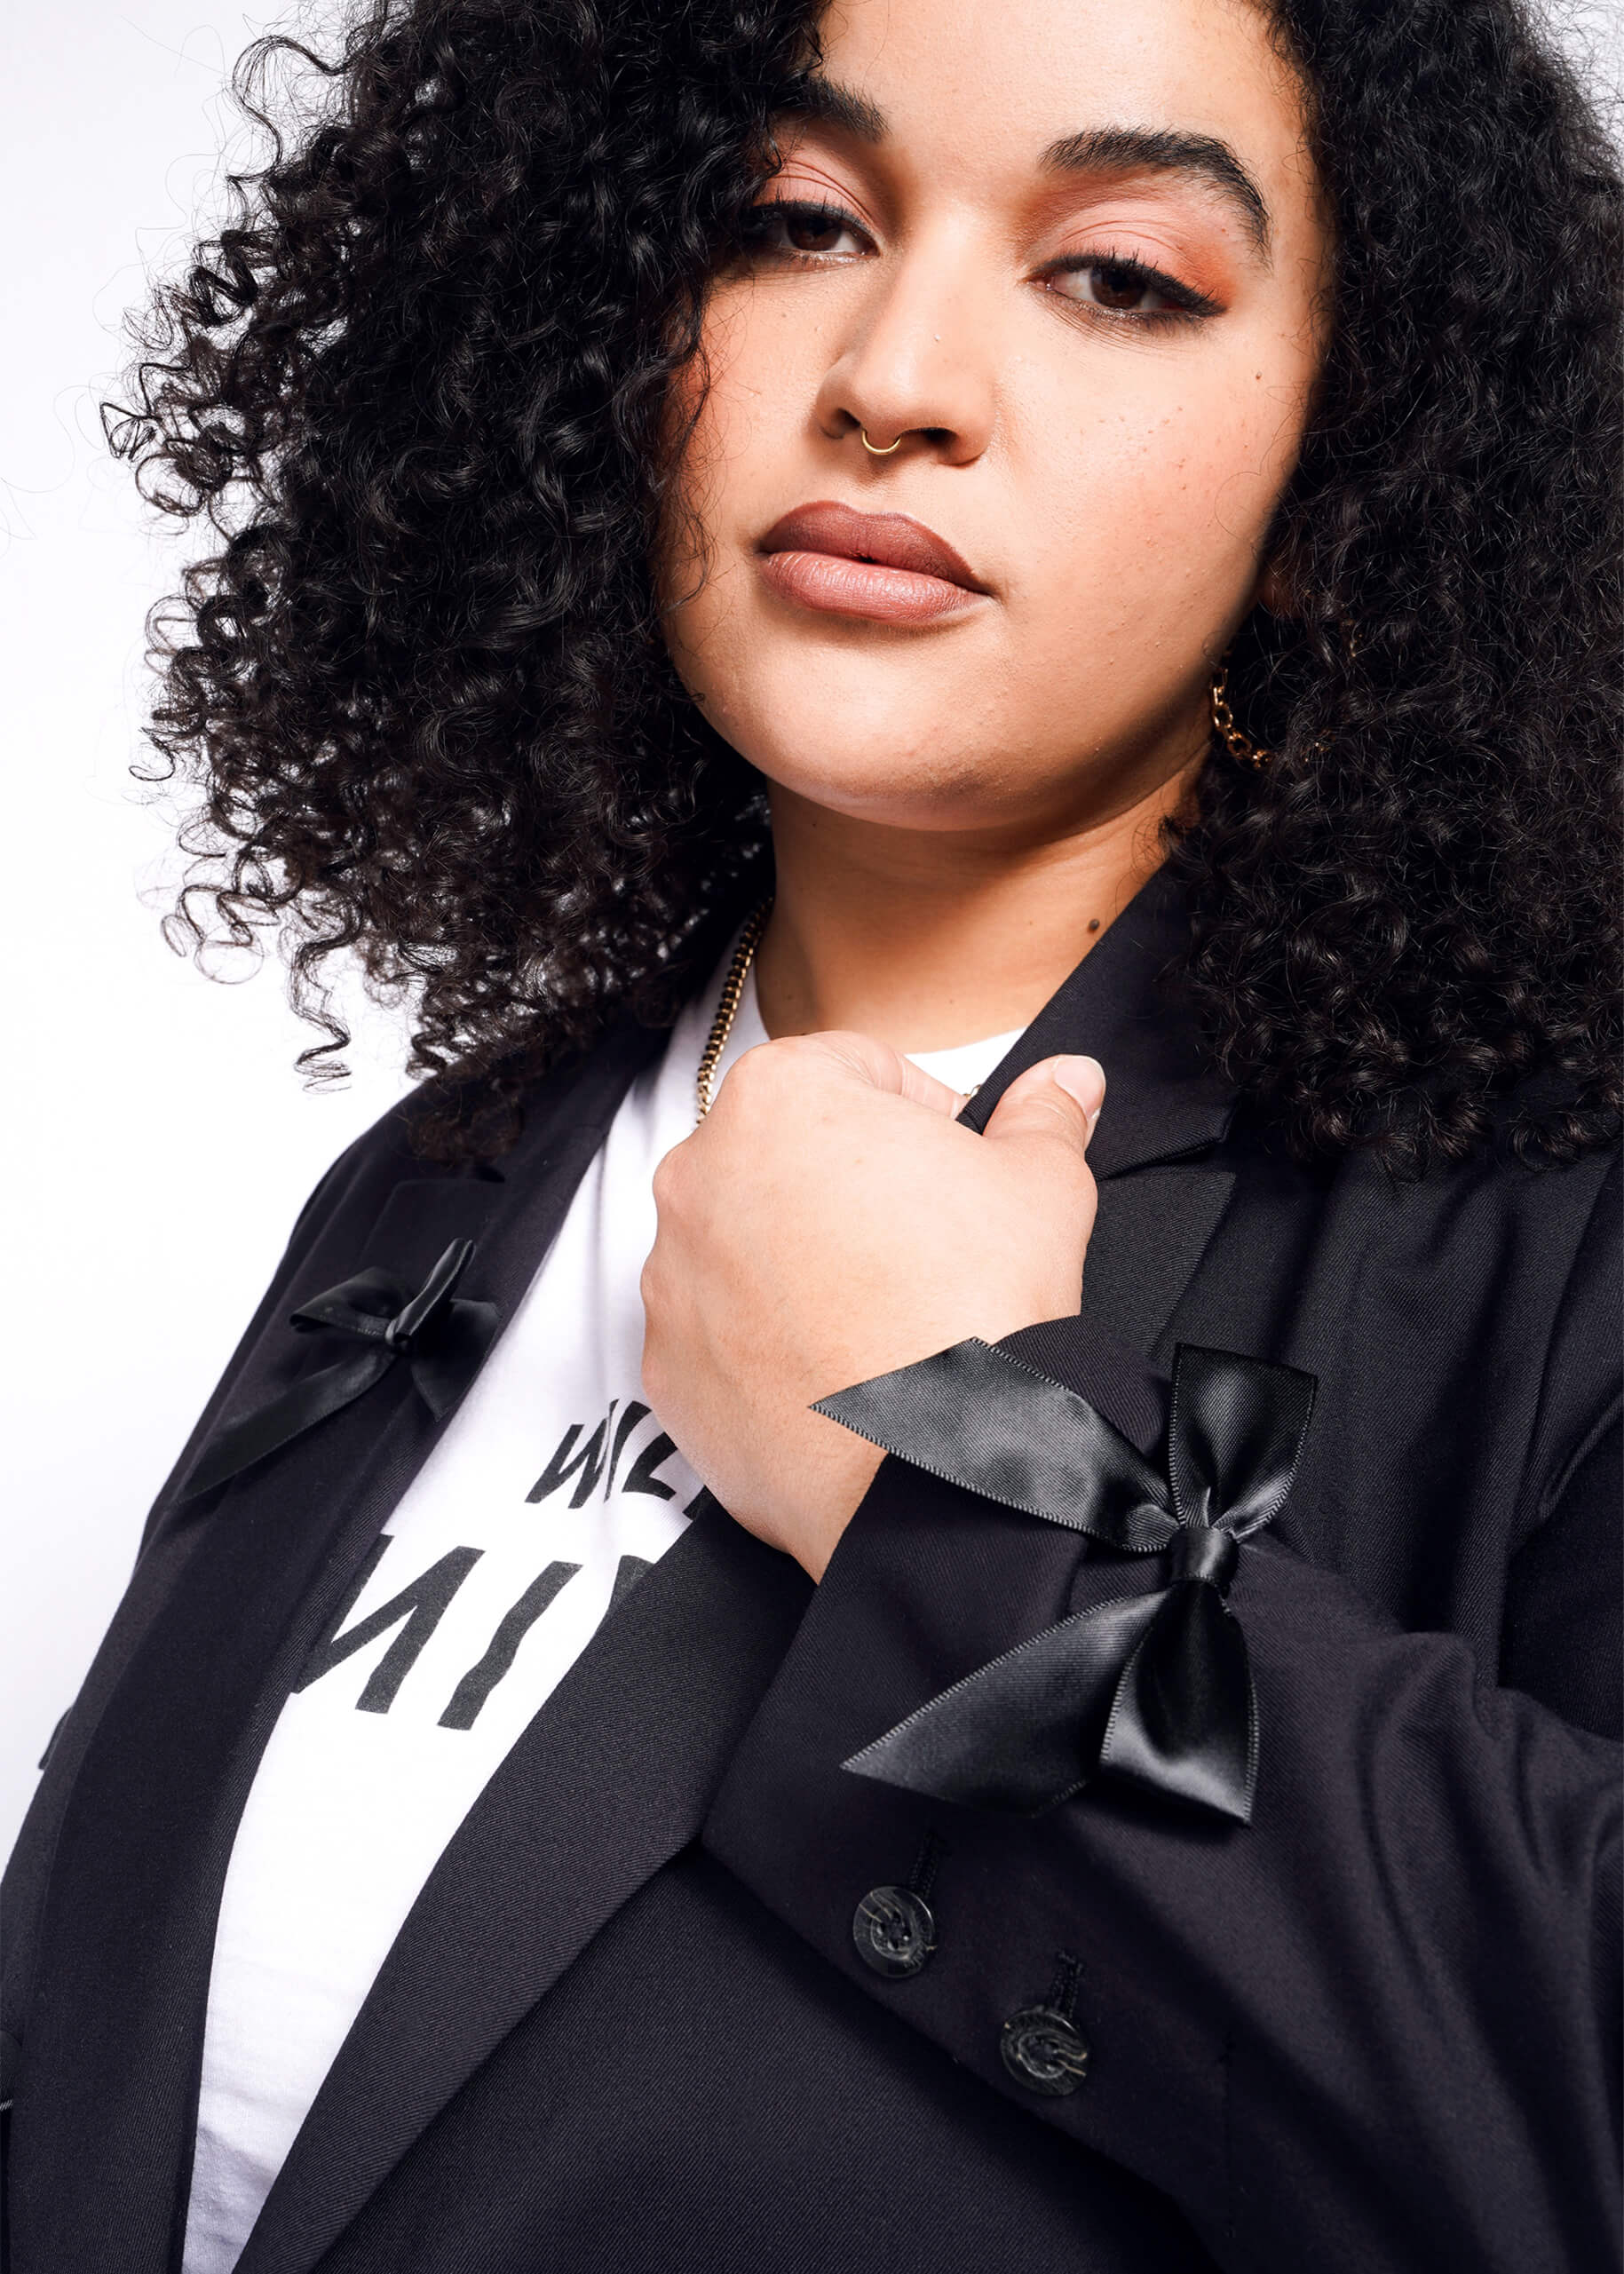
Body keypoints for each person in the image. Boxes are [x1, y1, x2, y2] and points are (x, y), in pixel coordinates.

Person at [3, 0, 1619, 2266]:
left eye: (1119, 275)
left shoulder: (1544, 1243)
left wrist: (949, 1478)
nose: (897, 376)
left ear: (1364, 450)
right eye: (794, 221)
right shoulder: (446, 1180)